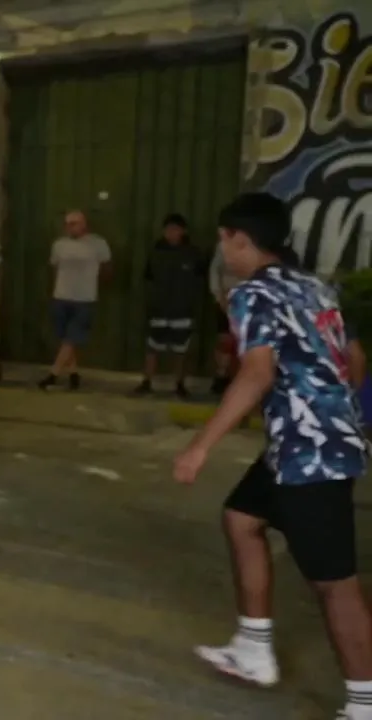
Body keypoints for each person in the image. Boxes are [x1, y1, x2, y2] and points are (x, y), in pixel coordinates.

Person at [172, 192, 372, 720]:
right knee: (242, 518)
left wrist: (199, 447)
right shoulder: (315, 285)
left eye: (224, 240)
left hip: (311, 456)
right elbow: (354, 358)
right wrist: (335, 411)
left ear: (240, 239)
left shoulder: (253, 293)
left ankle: (365, 705)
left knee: (335, 586)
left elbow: (256, 374)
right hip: (312, 444)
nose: (223, 251)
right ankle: (254, 648)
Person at [38, 210, 111, 391]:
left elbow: (106, 267)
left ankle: (54, 374)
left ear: (84, 224)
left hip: (84, 298)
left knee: (72, 337)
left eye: (74, 223)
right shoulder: (59, 245)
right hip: (61, 296)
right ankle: (73, 373)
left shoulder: (98, 244)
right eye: (67, 224)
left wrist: (96, 285)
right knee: (65, 339)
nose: (69, 227)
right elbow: (54, 268)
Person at [134, 213, 204, 397]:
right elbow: (148, 279)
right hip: (158, 309)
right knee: (152, 348)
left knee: (181, 350)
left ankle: (179, 384)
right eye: (168, 229)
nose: (171, 233)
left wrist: (190, 304)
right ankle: (147, 382)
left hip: (183, 310)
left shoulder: (193, 253)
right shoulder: (155, 252)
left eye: (175, 229)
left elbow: (199, 281)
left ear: (183, 231)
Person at [209, 242, 243, 395]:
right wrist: (219, 296)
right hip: (225, 298)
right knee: (224, 340)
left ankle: (238, 379)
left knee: (243, 341)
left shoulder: (258, 245)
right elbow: (215, 270)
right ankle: (221, 375)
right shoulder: (224, 245)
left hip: (247, 299)